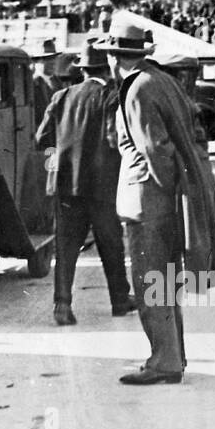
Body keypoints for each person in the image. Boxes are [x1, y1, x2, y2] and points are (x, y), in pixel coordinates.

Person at [102, 23, 215, 386]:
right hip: (161, 200)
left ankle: (164, 361)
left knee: (150, 282)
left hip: (147, 202)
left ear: (114, 57)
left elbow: (155, 150)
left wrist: (161, 195)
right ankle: (172, 356)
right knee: (164, 282)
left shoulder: (136, 88)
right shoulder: (160, 79)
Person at [34, 42, 134, 325]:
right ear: (107, 67)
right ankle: (119, 300)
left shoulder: (62, 96)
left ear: (84, 69)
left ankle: (62, 305)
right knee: (111, 243)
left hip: (67, 185)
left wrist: (64, 150)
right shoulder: (112, 96)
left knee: (66, 247)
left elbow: (42, 139)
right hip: (103, 185)